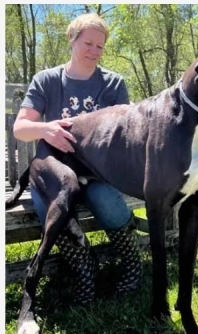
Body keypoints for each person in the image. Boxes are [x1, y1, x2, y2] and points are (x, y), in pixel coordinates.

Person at [13, 13, 141, 304]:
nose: (94, 51)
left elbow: (126, 133)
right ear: (71, 39)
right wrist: (46, 129)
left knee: (107, 202)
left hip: (96, 172)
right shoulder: (47, 80)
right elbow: (20, 129)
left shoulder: (113, 83)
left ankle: (132, 264)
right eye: (88, 43)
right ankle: (85, 273)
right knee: (58, 214)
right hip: (53, 172)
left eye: (100, 46)